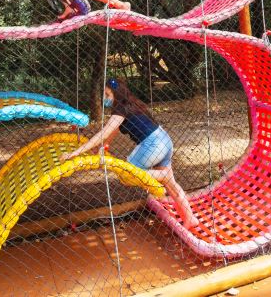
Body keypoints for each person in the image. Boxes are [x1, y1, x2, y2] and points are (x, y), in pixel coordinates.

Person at [60, 78, 200, 228]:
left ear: (117, 94)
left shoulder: (120, 109)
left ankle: (162, 175)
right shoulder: (130, 104)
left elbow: (103, 133)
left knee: (127, 174)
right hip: (165, 141)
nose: (105, 99)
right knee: (171, 185)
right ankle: (190, 218)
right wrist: (102, 146)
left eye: (107, 95)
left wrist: (75, 153)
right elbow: (110, 134)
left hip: (153, 144)